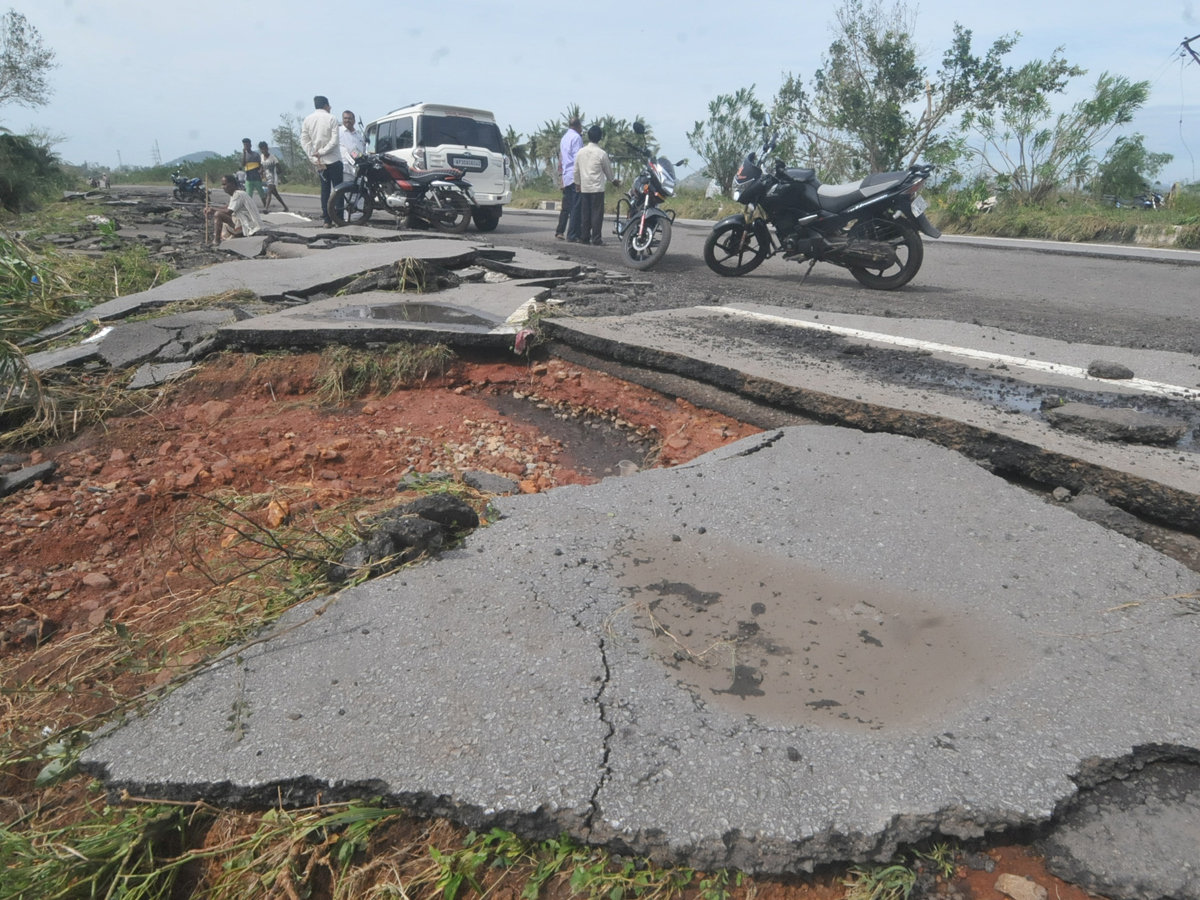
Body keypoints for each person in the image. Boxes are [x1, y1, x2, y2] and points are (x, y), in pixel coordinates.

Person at [301, 95, 343, 227]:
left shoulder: (307, 119)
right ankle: (339, 219)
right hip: (334, 159)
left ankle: (327, 220)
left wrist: (313, 156)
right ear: (326, 105)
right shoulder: (332, 118)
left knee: (324, 190)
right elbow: (334, 141)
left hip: (319, 161)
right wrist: (322, 152)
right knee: (338, 190)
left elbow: (304, 140)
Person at [574, 125, 619, 246]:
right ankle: (596, 239)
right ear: (600, 138)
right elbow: (607, 170)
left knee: (585, 214)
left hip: (585, 187)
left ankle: (584, 237)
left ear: (588, 136)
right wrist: (613, 180)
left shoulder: (580, 152)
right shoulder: (601, 153)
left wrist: (577, 183)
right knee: (597, 215)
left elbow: (576, 170)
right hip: (597, 188)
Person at [203, 173, 263, 245]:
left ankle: (216, 240)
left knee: (218, 214)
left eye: (225, 184)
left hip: (247, 225)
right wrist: (212, 208)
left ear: (232, 184)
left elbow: (228, 211)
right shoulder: (237, 194)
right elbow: (229, 206)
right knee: (219, 212)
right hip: (246, 223)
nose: (223, 187)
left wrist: (213, 210)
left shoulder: (238, 194)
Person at [554, 116, 583, 242]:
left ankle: (571, 232)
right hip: (574, 175)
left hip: (567, 175)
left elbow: (562, 159)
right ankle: (572, 234)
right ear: (578, 126)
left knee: (568, 205)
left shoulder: (564, 138)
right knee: (576, 206)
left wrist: (562, 177)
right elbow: (578, 159)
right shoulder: (577, 138)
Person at [258, 141, 289, 212]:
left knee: (269, 192)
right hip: (266, 178)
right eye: (262, 149)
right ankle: (285, 207)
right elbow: (262, 167)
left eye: (265, 149)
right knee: (275, 194)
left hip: (273, 177)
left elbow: (280, 169)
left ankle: (266, 208)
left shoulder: (273, 158)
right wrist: (261, 171)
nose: (264, 151)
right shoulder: (261, 157)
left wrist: (275, 174)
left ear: (267, 148)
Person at [339, 110, 365, 177]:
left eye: (350, 118)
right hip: (343, 169)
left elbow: (363, 151)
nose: (347, 120)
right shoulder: (338, 131)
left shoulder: (359, 136)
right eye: (345, 118)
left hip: (357, 171)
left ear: (354, 121)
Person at [241, 138, 267, 207]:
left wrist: (261, 171)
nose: (246, 146)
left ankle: (265, 205)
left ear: (250, 145)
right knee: (248, 194)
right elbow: (243, 164)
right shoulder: (244, 155)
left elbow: (261, 164)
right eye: (244, 145)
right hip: (249, 178)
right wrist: (244, 154)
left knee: (261, 192)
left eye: (247, 145)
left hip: (257, 178)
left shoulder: (256, 155)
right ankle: (249, 207)